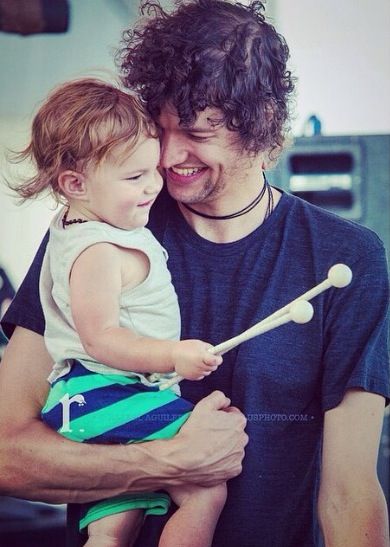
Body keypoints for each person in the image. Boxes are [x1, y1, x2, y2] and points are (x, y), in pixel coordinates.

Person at [1, 1, 389, 546]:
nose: (168, 156)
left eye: (198, 132)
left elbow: (349, 494)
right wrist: (172, 462)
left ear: (262, 126)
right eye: (159, 131)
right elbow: (7, 455)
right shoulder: (92, 237)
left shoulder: (345, 258)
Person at [8, 77, 227, 547]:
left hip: (90, 399)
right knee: (206, 484)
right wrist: (174, 355)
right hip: (106, 392)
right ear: (75, 184)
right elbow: (101, 338)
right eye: (134, 177)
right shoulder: (98, 251)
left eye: (151, 170)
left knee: (114, 525)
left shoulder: (76, 223)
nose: (154, 185)